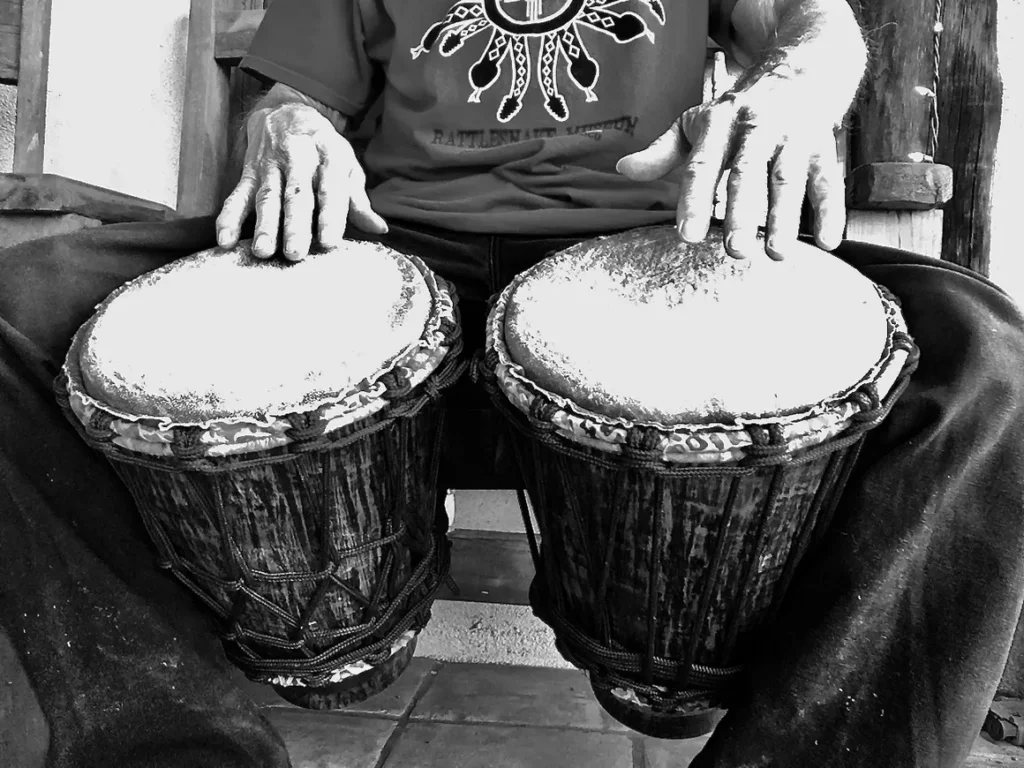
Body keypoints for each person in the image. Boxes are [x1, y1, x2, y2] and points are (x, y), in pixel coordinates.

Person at [1, 0, 1022, 766]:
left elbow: (813, 23)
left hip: (645, 261)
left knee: (987, 358)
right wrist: (289, 123)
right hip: (392, 258)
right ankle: (172, 748)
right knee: (18, 304)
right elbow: (291, 93)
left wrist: (790, 88)